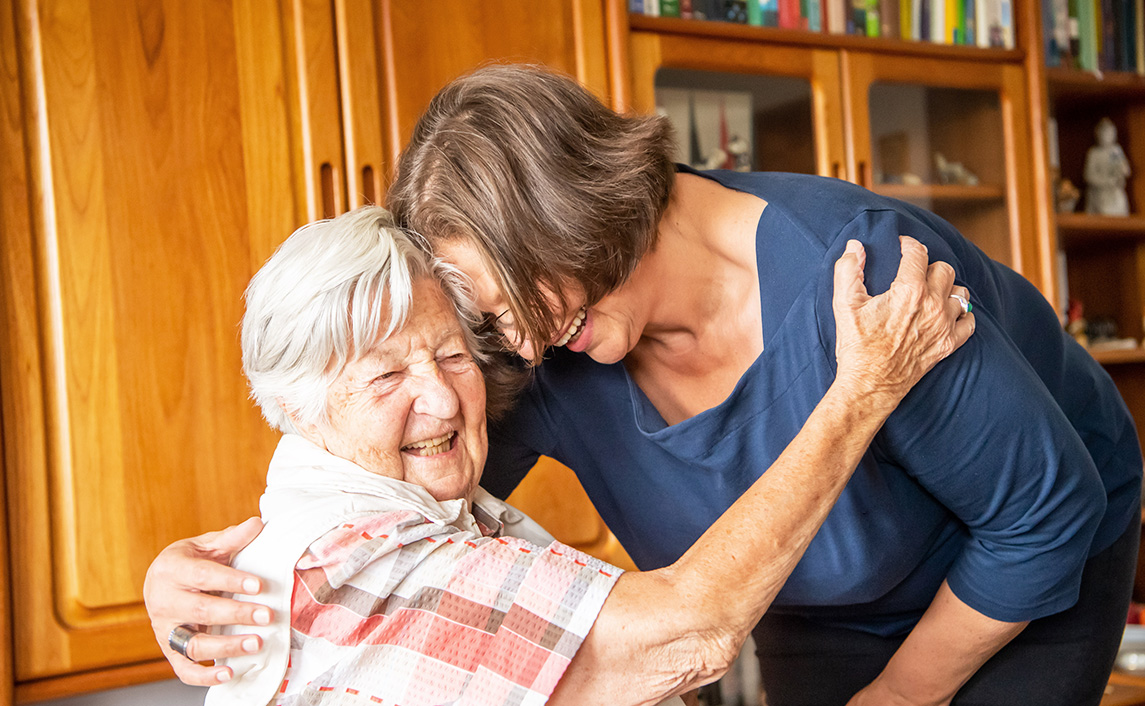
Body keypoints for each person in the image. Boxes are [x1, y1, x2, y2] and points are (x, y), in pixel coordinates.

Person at [148, 64, 1141, 705]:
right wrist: (213, 583)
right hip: (818, 598)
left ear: (572, 208)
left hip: (1020, 559)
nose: (518, 342)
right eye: (488, 323)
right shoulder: (540, 343)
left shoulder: (861, 280)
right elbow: (378, 488)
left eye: (519, 294)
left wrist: (896, 698)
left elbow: (1040, 513)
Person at [166, 205, 967, 705]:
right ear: (295, 410)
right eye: (384, 375)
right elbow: (685, 633)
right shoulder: (361, 560)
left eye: (451, 355)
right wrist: (860, 394)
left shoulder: (414, 511)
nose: (442, 399)